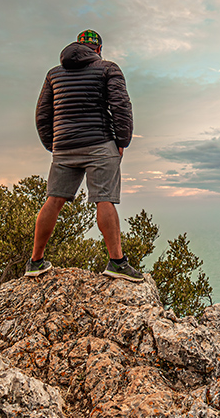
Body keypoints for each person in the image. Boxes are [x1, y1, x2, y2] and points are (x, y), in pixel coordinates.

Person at [27, 29, 142, 282]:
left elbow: (42, 114)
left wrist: (54, 144)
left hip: (64, 146)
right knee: (104, 199)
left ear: (76, 46)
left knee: (53, 200)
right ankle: (116, 263)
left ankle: (35, 262)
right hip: (100, 143)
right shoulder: (108, 68)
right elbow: (120, 105)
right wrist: (122, 141)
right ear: (98, 50)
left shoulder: (53, 74)